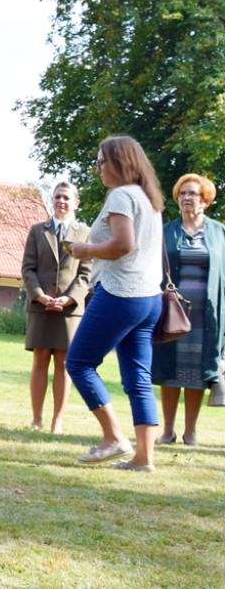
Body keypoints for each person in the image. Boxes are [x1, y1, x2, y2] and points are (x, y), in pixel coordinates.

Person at [64, 136, 163, 472]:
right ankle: (144, 458)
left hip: (121, 293)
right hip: (150, 299)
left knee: (78, 362)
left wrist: (85, 249)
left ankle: (113, 438)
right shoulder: (149, 199)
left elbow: (123, 244)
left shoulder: (121, 195)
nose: (98, 168)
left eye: (102, 161)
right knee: (138, 377)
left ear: (122, 162)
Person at [151, 173, 225, 447]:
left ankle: (190, 432)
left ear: (205, 200)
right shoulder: (166, 231)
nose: (186, 198)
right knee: (170, 369)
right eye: (182, 194)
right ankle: (168, 430)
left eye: (192, 193)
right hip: (172, 312)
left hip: (208, 316)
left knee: (197, 371)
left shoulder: (219, 233)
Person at [21, 181, 91, 433]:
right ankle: (37, 419)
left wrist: (69, 298)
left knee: (63, 363)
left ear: (76, 202)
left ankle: (56, 422)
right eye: (57, 197)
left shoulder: (85, 233)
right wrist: (39, 296)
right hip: (40, 306)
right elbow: (27, 268)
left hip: (70, 310)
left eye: (66, 197)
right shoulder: (38, 230)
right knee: (40, 359)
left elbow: (86, 273)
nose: (61, 201)